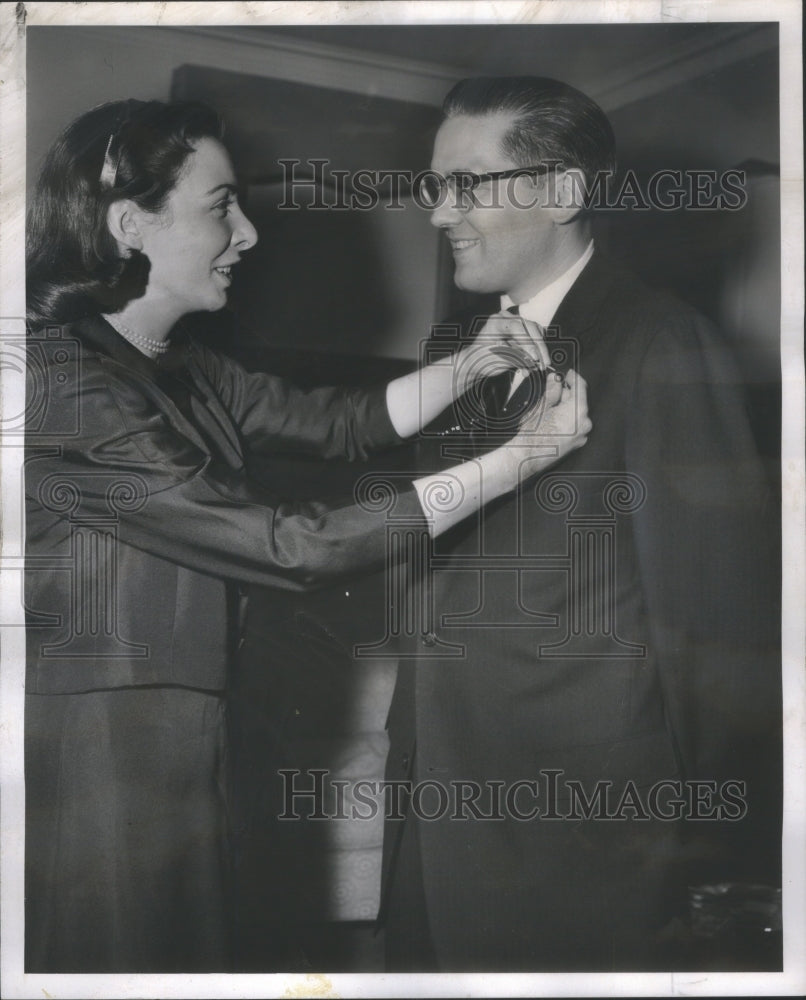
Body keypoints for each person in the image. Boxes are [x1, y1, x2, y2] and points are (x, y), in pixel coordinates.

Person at [23, 98, 590, 973]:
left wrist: (467, 365)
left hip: (193, 732)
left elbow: (341, 423)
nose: (248, 232)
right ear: (131, 224)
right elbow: (293, 545)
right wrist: (522, 458)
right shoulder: (63, 384)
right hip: (108, 750)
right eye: (221, 206)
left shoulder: (175, 360)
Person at [381, 76, 781, 971]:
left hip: (589, 829)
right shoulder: (452, 353)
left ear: (562, 192)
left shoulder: (659, 342)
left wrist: (715, 849)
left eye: (467, 184)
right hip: (442, 797)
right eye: (434, 185)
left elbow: (716, 625)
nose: (441, 213)